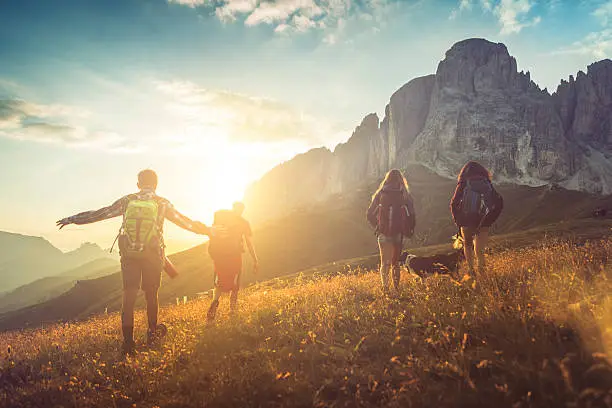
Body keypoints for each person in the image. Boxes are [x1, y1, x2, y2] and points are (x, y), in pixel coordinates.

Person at [56, 169, 211, 356]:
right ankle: (152, 334)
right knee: (151, 295)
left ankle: (128, 344)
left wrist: (72, 219)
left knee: (128, 297)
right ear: (156, 184)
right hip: (153, 255)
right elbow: (186, 222)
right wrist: (209, 231)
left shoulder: (128, 200)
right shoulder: (162, 203)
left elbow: (100, 214)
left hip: (129, 255)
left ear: (138, 184)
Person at [206, 201, 259, 323]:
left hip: (219, 257)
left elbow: (212, 234)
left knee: (219, 282)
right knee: (235, 284)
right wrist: (255, 260)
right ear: (242, 210)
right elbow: (249, 243)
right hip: (235, 257)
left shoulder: (222, 218)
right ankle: (233, 312)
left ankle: (214, 304)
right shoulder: (244, 223)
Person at [366, 169, 416, 294]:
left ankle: (386, 290)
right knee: (395, 263)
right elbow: (412, 215)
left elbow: (369, 214)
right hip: (398, 234)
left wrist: (378, 226)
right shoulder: (404, 193)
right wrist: (409, 229)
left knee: (385, 263)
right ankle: (396, 289)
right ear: (400, 179)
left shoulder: (381, 193)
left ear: (387, 179)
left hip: (383, 234)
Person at [450, 161, 503, 276]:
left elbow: (454, 203)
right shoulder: (486, 183)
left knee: (467, 245)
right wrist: (490, 219)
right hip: (484, 220)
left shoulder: (463, 182)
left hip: (466, 219)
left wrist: (458, 221)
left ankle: (471, 271)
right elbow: (498, 202)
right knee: (480, 251)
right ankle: (483, 273)